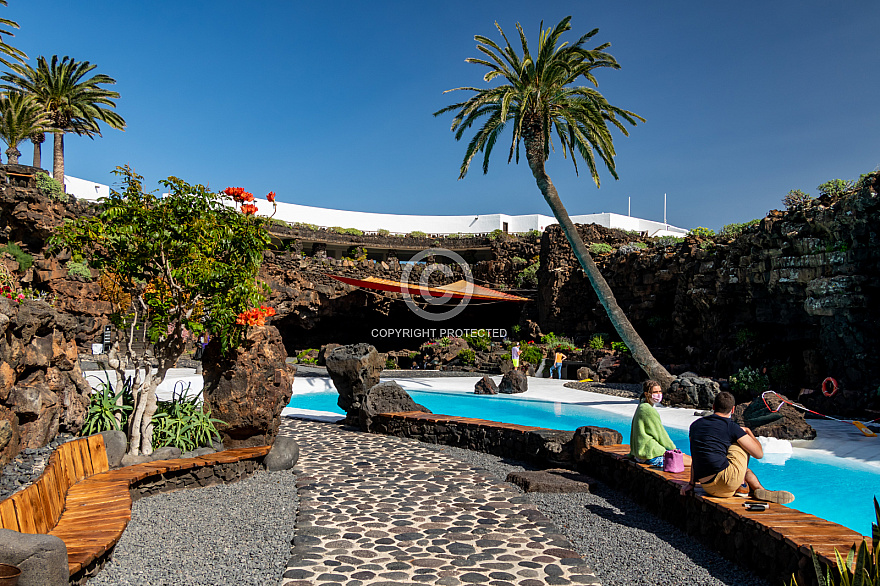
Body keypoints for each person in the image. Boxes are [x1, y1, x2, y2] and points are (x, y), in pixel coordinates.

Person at [684, 391, 794, 504]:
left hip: (707, 486)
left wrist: (691, 484)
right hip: (726, 483)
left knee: (745, 470)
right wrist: (748, 432)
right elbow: (759, 454)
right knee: (741, 444)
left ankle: (758, 489)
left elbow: (695, 455)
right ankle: (742, 485)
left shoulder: (695, 425)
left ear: (713, 406)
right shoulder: (731, 427)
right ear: (733, 409)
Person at [629, 380, 679, 466]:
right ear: (646, 394)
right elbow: (660, 433)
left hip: (640, 454)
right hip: (651, 454)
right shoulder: (648, 410)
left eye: (660, 391)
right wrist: (673, 448)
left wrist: (631, 454)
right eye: (655, 392)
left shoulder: (641, 406)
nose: (658, 394)